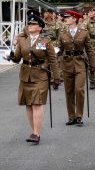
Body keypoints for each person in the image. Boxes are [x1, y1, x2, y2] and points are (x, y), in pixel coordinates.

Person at [8, 14, 60, 144]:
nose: (29, 26)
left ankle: (36, 133)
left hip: (40, 75)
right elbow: (17, 58)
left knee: (37, 103)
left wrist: (56, 77)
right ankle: (33, 131)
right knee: (29, 104)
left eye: (33, 24)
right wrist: (11, 56)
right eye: (29, 24)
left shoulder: (45, 41)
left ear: (40, 27)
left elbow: (53, 61)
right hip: (25, 75)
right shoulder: (22, 41)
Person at [58, 11, 95, 126]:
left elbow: (89, 50)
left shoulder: (84, 33)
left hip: (80, 64)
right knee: (68, 92)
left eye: (68, 17)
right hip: (67, 64)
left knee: (79, 90)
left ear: (74, 19)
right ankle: (71, 117)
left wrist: (92, 65)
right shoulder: (62, 33)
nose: (65, 19)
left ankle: (79, 116)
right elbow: (59, 49)